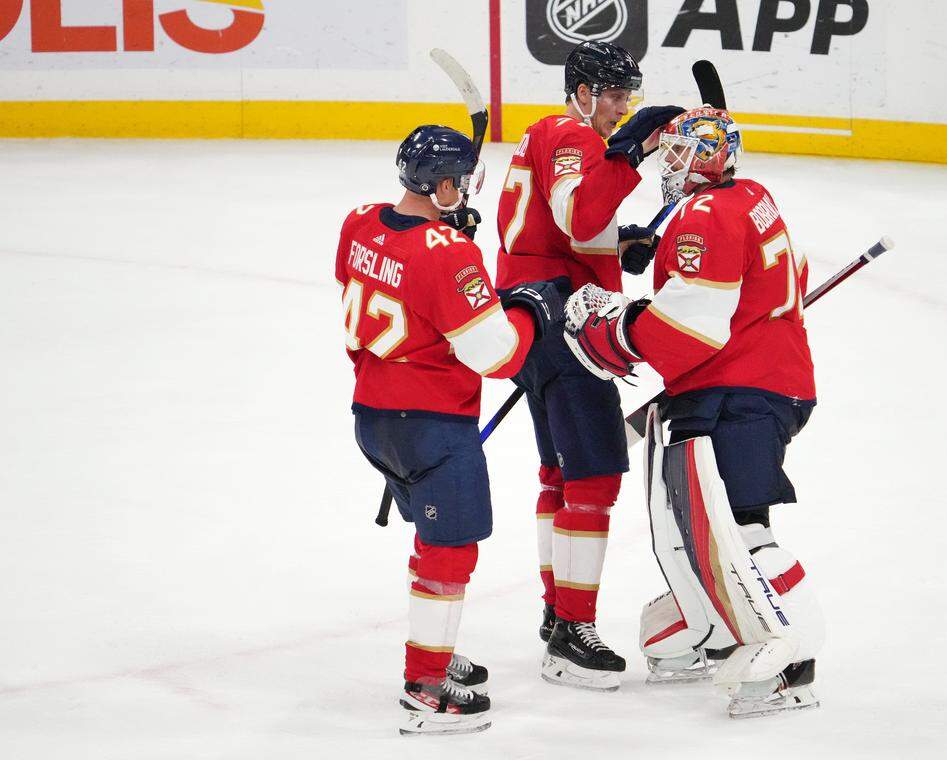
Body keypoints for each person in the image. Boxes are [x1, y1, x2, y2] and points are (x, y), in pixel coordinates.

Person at [561, 107, 827, 718]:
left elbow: (689, 326)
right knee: (702, 524)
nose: (670, 165)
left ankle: (793, 658)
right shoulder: (752, 196)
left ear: (708, 157)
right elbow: (785, 269)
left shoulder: (705, 215)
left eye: (680, 153)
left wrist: (615, 330)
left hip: (738, 393)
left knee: (742, 526)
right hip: (764, 381)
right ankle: (713, 624)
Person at [336, 125, 561, 734]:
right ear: (437, 186)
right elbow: (498, 356)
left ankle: (435, 644)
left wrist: (446, 243)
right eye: (457, 184)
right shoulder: (450, 255)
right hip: (432, 427)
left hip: (374, 419)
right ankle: (425, 686)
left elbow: (397, 275)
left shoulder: (358, 222)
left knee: (435, 546)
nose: (464, 192)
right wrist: (526, 311)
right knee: (449, 550)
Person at [494, 39, 682, 691]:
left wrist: (619, 242)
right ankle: (573, 632)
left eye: (627, 95)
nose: (621, 107)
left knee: (559, 473)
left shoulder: (548, 134)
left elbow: (564, 227)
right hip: (565, 321)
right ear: (580, 94)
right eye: (613, 95)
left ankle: (556, 612)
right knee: (596, 476)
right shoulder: (572, 134)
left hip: (530, 312)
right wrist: (629, 152)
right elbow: (577, 215)